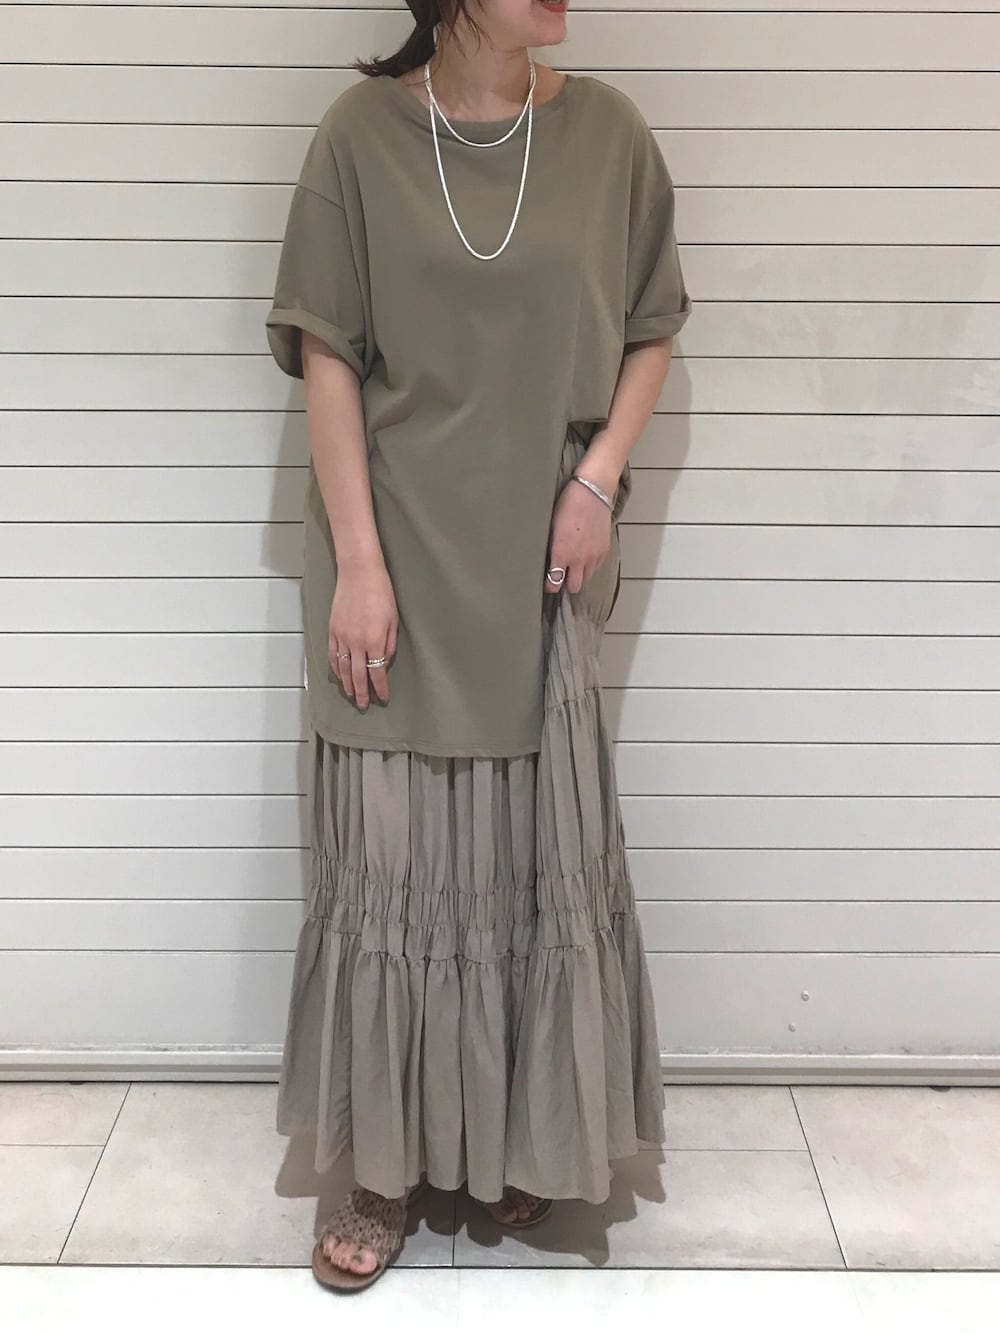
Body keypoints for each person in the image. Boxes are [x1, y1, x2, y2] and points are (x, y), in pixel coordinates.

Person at [264, 0, 692, 1294]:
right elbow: (328, 355)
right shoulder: (359, 137)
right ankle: (384, 1166)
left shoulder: (610, 134)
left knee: (526, 857)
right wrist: (358, 564)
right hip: (395, 543)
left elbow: (652, 326)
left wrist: (599, 480)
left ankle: (521, 1134)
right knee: (396, 859)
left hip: (543, 553)